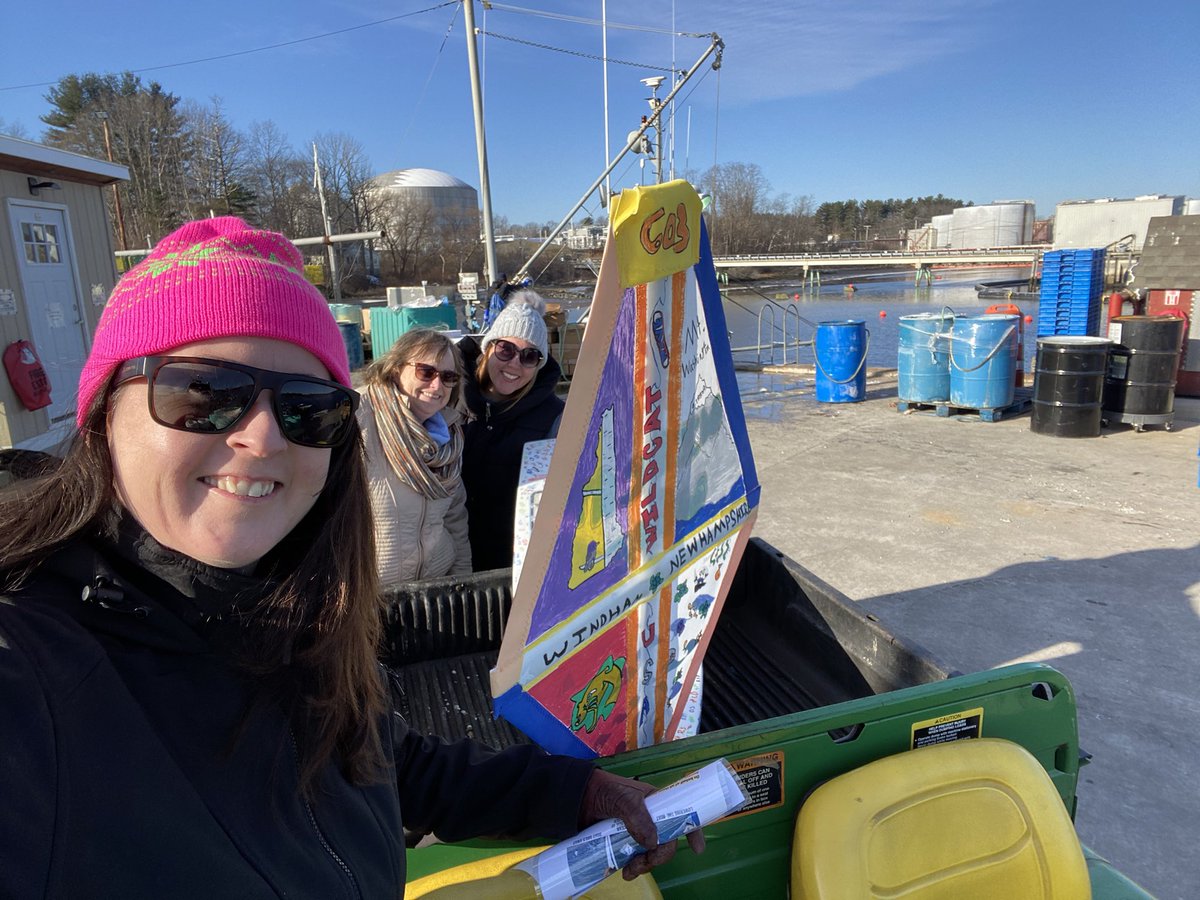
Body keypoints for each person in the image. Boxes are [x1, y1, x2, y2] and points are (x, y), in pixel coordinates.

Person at [0, 217, 700, 898]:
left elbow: (382, 761)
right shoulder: (31, 670)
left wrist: (577, 792)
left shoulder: (281, 615)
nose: (265, 438)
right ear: (100, 411)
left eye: (308, 408)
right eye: (204, 393)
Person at [459, 289, 565, 572]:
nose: (515, 363)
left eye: (529, 356)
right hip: (448, 566)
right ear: (489, 347)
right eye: (506, 349)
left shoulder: (554, 419)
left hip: (512, 571)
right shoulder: (447, 395)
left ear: (539, 365)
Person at [358, 328, 471, 585]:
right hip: (372, 592)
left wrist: (464, 582)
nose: (436, 385)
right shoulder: (360, 418)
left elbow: (455, 519)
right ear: (396, 369)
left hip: (433, 589)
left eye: (448, 376)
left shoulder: (450, 438)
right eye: (426, 372)